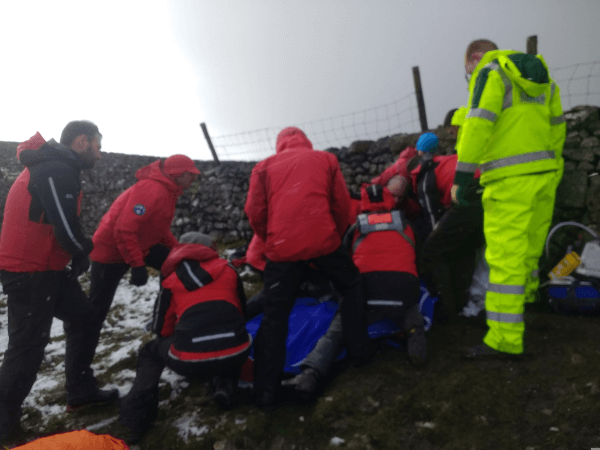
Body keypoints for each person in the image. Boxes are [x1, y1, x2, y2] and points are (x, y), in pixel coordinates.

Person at [0, 121, 118, 441]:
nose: (100, 152)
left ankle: (80, 391)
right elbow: (66, 226)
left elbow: (57, 223)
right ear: (82, 141)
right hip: (29, 272)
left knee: (84, 317)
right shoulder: (56, 167)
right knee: (27, 348)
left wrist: (73, 255)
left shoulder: (57, 165)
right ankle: (4, 425)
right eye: (97, 144)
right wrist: (82, 252)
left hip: (47, 268)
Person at [244, 126, 376, 408]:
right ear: (306, 141)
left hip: (282, 249)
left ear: (280, 145)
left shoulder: (263, 168)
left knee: (274, 315)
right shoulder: (325, 160)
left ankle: (264, 392)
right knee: (351, 286)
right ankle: (360, 355)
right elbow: (340, 205)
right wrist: (332, 235)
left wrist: (272, 239)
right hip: (323, 241)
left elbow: (254, 212)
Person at [452, 39, 566, 358]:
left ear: (475, 57)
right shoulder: (544, 78)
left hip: (507, 180)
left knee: (504, 260)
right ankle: (527, 305)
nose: (468, 76)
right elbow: (558, 129)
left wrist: (461, 176)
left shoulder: (491, 73)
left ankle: (505, 337)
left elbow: (477, 124)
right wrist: (552, 172)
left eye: (466, 70)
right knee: (529, 251)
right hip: (543, 175)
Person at [282, 184, 425, 397]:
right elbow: (417, 254)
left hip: (366, 290)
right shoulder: (406, 223)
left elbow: (345, 262)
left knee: (337, 330)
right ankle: (417, 339)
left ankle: (311, 372)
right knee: (410, 311)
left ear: (365, 203)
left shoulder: (357, 225)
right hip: (403, 287)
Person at [76, 154, 201, 390]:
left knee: (175, 265)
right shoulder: (152, 190)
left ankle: (164, 325)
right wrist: (137, 266)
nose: (194, 177)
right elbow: (124, 231)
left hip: (138, 246)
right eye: (190, 173)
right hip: (110, 252)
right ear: (176, 173)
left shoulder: (169, 191)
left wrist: (179, 251)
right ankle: (79, 379)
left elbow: (160, 231)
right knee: (96, 313)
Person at [119, 232, 250, 443]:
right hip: (238, 349)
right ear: (209, 250)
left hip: (189, 357)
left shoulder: (171, 280)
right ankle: (224, 384)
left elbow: (161, 329)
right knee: (226, 339)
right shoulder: (229, 269)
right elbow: (241, 313)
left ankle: (136, 418)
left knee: (149, 351)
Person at [409, 132, 485, 324]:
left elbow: (432, 213)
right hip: (488, 195)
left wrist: (434, 237)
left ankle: (447, 313)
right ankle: (463, 305)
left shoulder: (425, 171)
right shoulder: (448, 161)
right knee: (464, 251)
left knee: (432, 252)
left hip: (467, 199)